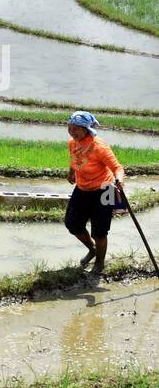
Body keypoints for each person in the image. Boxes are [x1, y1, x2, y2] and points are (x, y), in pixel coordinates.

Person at [64, 110, 125, 275]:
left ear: (86, 129)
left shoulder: (100, 146)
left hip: (104, 190)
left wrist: (118, 180)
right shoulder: (72, 142)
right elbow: (74, 158)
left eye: (75, 128)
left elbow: (117, 168)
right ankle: (92, 250)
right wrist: (71, 173)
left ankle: (99, 263)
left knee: (100, 230)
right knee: (72, 223)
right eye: (69, 127)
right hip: (82, 188)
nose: (71, 132)